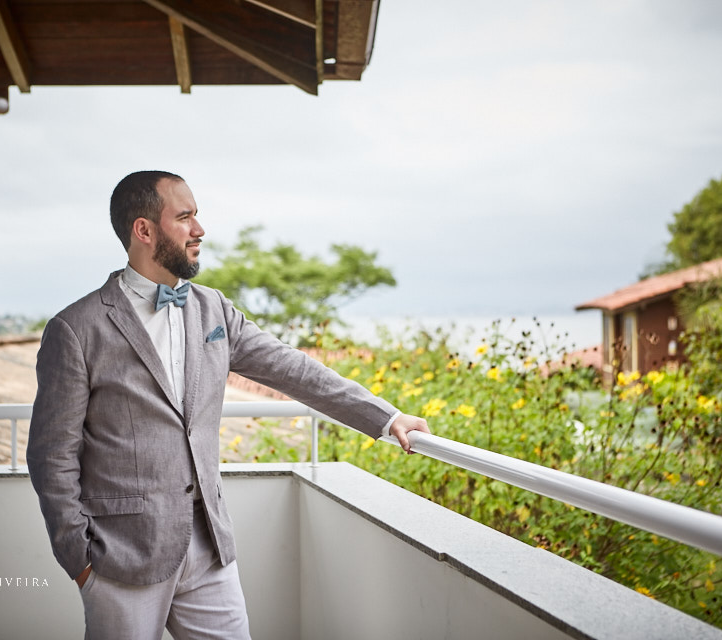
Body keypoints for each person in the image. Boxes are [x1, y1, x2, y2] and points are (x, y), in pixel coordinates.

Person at [26, 170, 431, 639]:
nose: (200, 229)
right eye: (185, 217)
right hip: (120, 557)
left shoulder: (213, 310)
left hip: (208, 548)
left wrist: (385, 417)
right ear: (144, 230)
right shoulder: (77, 329)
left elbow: (292, 369)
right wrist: (79, 559)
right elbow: (51, 454)